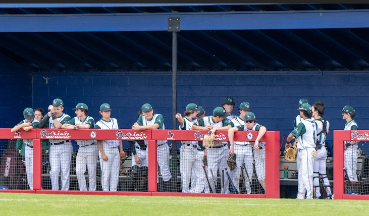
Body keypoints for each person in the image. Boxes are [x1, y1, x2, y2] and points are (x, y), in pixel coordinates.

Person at [132, 103, 172, 192]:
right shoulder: (141, 118)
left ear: (152, 111)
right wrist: (139, 128)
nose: (148, 113)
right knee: (152, 170)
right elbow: (134, 127)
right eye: (145, 112)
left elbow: (155, 126)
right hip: (149, 147)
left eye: (149, 111)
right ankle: (154, 191)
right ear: (142, 113)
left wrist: (141, 128)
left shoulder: (158, 116)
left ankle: (168, 192)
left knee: (164, 169)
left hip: (161, 146)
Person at [175, 103, 211, 193]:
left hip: (195, 149)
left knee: (201, 174)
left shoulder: (193, 122)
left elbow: (194, 127)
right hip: (186, 149)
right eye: (195, 111)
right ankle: (185, 192)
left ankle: (195, 192)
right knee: (186, 174)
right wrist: (179, 118)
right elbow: (184, 123)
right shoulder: (185, 121)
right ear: (192, 111)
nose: (197, 113)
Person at [61, 103, 98, 191]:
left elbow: (87, 126)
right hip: (81, 148)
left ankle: (92, 191)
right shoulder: (75, 119)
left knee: (91, 172)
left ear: (83, 111)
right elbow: (63, 126)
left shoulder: (90, 118)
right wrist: (72, 127)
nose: (76, 112)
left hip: (91, 147)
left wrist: (78, 127)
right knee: (79, 171)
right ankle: (83, 190)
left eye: (77, 110)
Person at [38, 98, 72, 191]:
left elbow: (58, 126)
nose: (56, 110)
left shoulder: (67, 117)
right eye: (54, 108)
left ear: (62, 108)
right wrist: (48, 116)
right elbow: (40, 126)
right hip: (53, 145)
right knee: (54, 170)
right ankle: (55, 190)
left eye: (58, 108)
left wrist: (52, 114)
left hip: (64, 144)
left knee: (64, 170)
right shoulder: (49, 115)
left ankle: (65, 191)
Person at [285, 102, 317, 199]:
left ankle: (309, 196)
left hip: (307, 150)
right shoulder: (313, 123)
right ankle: (302, 195)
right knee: (305, 174)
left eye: (301, 111)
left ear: (304, 112)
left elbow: (291, 135)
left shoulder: (304, 123)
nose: (300, 113)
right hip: (309, 149)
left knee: (306, 174)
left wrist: (287, 142)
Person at [198, 107, 231, 193]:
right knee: (211, 175)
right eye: (222, 116)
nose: (224, 117)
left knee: (224, 173)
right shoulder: (205, 120)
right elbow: (193, 126)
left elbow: (229, 126)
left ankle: (225, 193)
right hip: (211, 150)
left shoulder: (224, 121)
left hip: (223, 148)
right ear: (217, 117)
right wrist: (204, 129)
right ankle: (213, 192)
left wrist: (216, 129)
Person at [94, 103, 125, 191]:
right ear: (101, 112)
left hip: (115, 148)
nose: (107, 113)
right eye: (105, 111)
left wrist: (121, 150)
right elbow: (98, 141)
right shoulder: (98, 124)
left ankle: (113, 191)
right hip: (106, 148)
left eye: (108, 111)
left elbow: (119, 135)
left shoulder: (114, 120)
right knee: (106, 173)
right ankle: (105, 191)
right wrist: (102, 153)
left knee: (115, 173)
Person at [228, 102, 254, 194]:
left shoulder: (251, 120)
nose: (246, 112)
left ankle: (249, 192)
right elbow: (230, 131)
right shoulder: (234, 121)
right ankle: (236, 192)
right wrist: (231, 145)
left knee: (249, 173)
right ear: (240, 111)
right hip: (237, 147)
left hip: (247, 147)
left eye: (248, 110)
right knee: (236, 173)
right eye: (244, 110)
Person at [11, 108, 39, 190]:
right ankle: (31, 188)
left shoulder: (36, 122)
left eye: (30, 117)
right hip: (27, 147)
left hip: (35, 148)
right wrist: (22, 125)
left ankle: (36, 188)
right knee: (28, 170)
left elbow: (27, 129)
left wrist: (23, 126)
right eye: (27, 117)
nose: (29, 119)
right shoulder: (23, 122)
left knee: (33, 170)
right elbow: (12, 130)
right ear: (24, 116)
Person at [312, 101, 332, 199]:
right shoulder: (326, 122)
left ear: (316, 112)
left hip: (316, 149)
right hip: (323, 150)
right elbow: (326, 132)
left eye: (312, 110)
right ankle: (329, 194)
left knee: (315, 174)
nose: (311, 112)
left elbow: (312, 136)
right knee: (323, 174)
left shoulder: (314, 123)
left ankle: (318, 195)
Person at [189, 106, 210, 193]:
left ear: (204, 113)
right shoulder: (193, 123)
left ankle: (207, 190)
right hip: (197, 150)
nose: (199, 117)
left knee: (206, 172)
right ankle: (194, 190)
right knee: (195, 174)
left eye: (200, 115)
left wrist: (205, 149)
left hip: (208, 150)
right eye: (198, 116)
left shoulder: (207, 121)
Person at [129, 110, 148, 192]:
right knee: (134, 173)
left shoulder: (149, 125)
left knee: (145, 174)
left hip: (147, 150)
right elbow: (130, 142)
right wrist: (135, 155)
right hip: (138, 150)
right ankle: (131, 191)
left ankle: (143, 192)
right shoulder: (135, 126)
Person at [342, 105, 359, 182]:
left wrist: (347, 145)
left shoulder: (353, 125)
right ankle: (353, 192)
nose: (342, 114)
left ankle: (355, 193)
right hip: (347, 151)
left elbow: (356, 140)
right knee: (348, 172)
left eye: (344, 113)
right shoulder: (348, 125)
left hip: (351, 151)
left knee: (351, 173)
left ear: (348, 114)